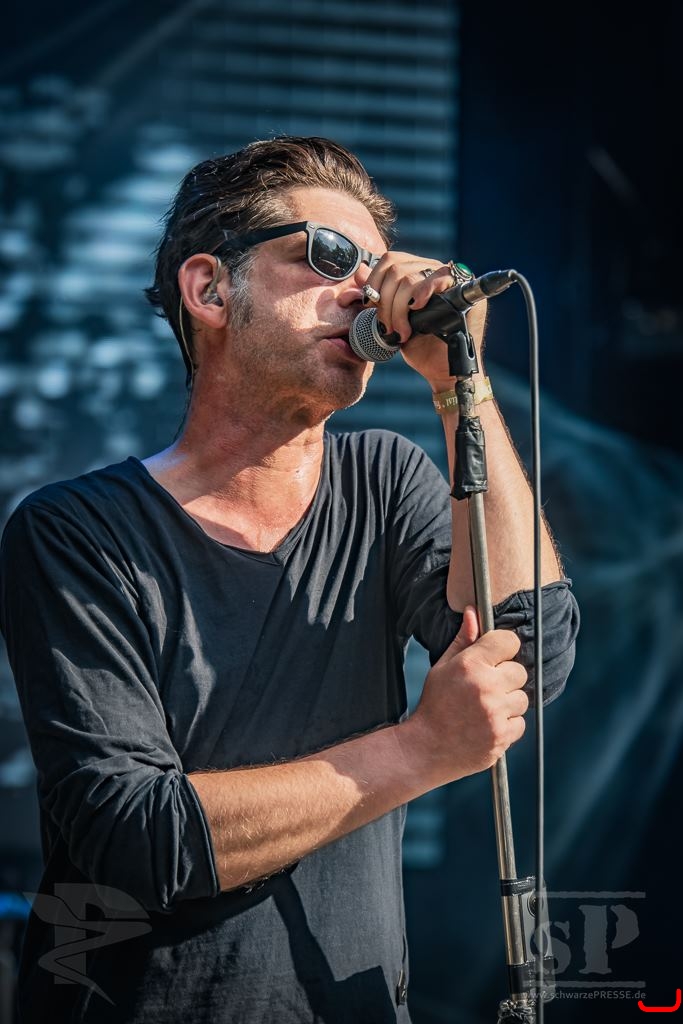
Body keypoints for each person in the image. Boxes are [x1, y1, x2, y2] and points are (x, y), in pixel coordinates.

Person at [0, 136, 578, 1024]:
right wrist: (418, 750)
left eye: (376, 270)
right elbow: (137, 837)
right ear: (209, 290)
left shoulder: (383, 479)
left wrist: (461, 382)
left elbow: (526, 650)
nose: (365, 291)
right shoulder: (76, 530)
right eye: (328, 255)